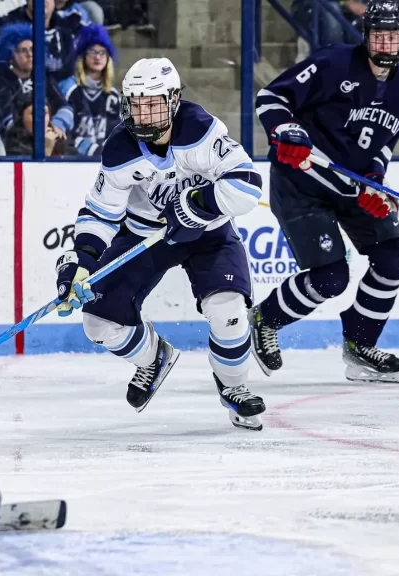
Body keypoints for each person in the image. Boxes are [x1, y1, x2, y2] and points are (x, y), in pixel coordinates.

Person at [55, 58, 267, 430]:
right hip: (145, 234)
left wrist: (198, 205)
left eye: (153, 102)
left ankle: (234, 388)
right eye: (136, 103)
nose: (144, 113)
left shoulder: (200, 130)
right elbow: (101, 211)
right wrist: (83, 260)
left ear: (173, 99)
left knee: (229, 312)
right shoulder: (120, 148)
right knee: (98, 322)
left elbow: (247, 183)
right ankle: (153, 358)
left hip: (208, 234)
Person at [248, 0, 399, 383]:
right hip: (301, 183)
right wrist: (287, 132)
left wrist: (375, 181)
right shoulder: (334, 63)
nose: (385, 44)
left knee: (393, 261)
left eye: (392, 37)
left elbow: (384, 143)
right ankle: (264, 319)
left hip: (351, 186)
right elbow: (271, 99)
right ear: (366, 36)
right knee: (330, 278)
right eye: (378, 36)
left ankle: (359, 346)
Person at [58, 24, 120, 156]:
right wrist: (91, 149)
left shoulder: (113, 96)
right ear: (83, 56)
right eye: (92, 51)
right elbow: (61, 131)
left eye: (102, 52)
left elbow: (117, 133)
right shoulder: (68, 88)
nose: (97, 57)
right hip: (70, 160)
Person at [3, 89, 75, 155]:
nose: (40, 119)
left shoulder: (59, 137)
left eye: (44, 113)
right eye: (34, 113)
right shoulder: (11, 144)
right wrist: (47, 148)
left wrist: (59, 147)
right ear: (21, 117)